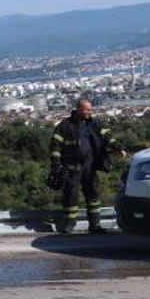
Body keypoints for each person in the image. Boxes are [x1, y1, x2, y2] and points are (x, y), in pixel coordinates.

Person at [48, 98, 125, 234]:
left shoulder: (95, 123)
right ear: (79, 109)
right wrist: (56, 165)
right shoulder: (65, 126)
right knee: (71, 195)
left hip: (90, 166)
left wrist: (118, 148)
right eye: (87, 109)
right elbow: (55, 147)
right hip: (71, 167)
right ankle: (69, 224)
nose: (90, 112)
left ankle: (95, 225)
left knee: (93, 195)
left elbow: (108, 137)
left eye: (91, 109)